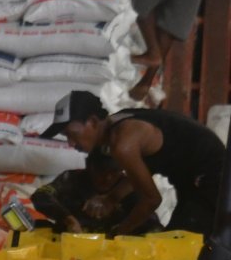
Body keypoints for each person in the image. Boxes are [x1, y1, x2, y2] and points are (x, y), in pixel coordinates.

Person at [41, 89, 225, 235]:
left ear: (93, 122)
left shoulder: (123, 144)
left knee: (184, 248)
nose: (71, 143)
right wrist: (112, 198)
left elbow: (152, 200)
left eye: (73, 135)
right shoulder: (118, 123)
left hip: (212, 176)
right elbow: (145, 169)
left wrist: (118, 234)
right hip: (192, 178)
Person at [31, 152, 163, 235]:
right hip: (70, 243)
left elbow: (153, 225)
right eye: (102, 171)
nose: (108, 178)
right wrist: (68, 219)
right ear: (89, 166)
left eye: (114, 172)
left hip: (114, 252)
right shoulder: (72, 179)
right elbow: (41, 195)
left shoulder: (128, 189)